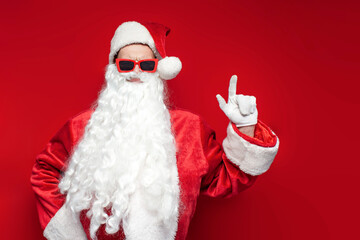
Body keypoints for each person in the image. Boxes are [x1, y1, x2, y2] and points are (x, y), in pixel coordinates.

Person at [31, 21, 279, 240]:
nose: (136, 72)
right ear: (114, 70)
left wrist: (246, 125)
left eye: (147, 64)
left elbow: (225, 180)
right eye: (126, 64)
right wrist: (69, 234)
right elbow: (44, 172)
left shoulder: (189, 128)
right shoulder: (82, 127)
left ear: (158, 70)